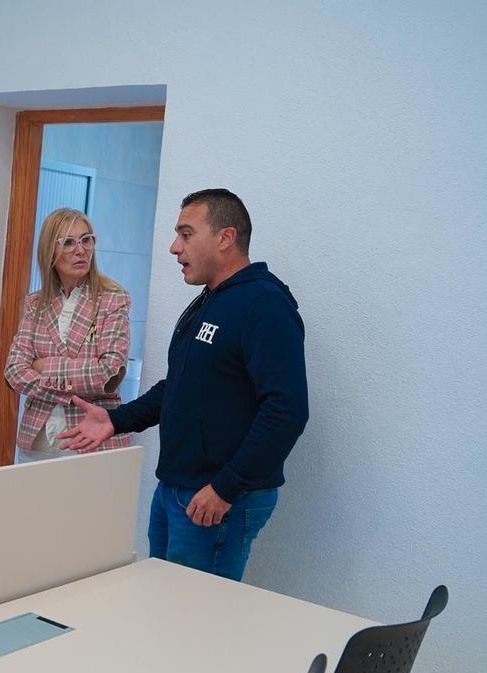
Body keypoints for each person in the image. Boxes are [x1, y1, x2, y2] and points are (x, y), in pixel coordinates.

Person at [60, 189, 308, 581]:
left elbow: (287, 411)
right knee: (164, 608)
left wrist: (225, 488)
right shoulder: (210, 299)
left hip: (216, 498)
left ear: (225, 238)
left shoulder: (264, 305)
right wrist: (116, 420)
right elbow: (181, 386)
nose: (175, 247)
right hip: (175, 490)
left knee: (197, 624)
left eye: (186, 234)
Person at [4, 207, 131, 462]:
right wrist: (74, 384)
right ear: (50, 250)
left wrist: (43, 366)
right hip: (38, 439)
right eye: (69, 242)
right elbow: (14, 372)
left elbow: (108, 375)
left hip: (94, 439)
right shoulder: (35, 303)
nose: (81, 249)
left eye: (86, 239)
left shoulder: (113, 299)